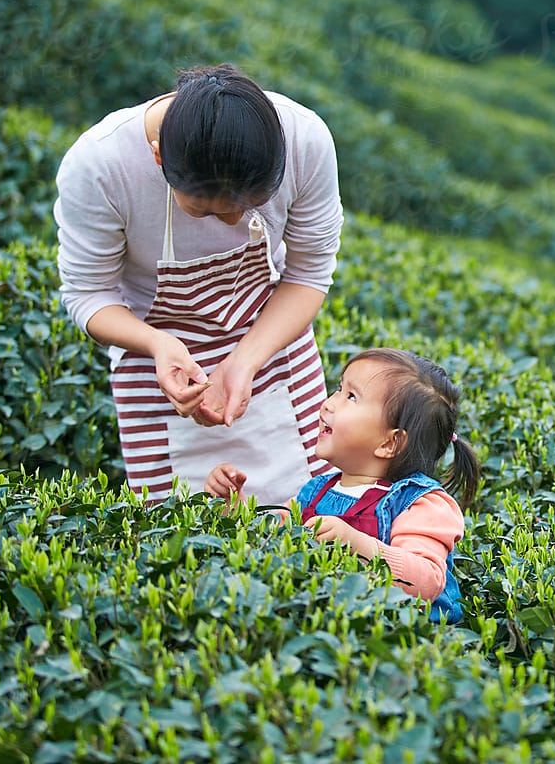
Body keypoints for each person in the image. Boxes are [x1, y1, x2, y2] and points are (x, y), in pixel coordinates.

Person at [54, 62, 343, 504]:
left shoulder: (304, 139)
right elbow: (87, 293)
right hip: (158, 368)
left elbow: (308, 274)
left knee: (316, 514)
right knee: (179, 533)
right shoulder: (101, 165)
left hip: (272, 341)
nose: (233, 220)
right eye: (207, 210)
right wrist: (158, 346)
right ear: (158, 156)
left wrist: (245, 360)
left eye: (251, 204)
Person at [204, 348, 480, 624]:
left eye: (351, 397)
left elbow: (427, 581)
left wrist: (354, 543)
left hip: (405, 642)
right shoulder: (316, 492)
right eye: (339, 389)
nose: (329, 403)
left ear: (389, 443)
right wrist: (233, 507)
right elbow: (270, 542)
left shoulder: (420, 503)